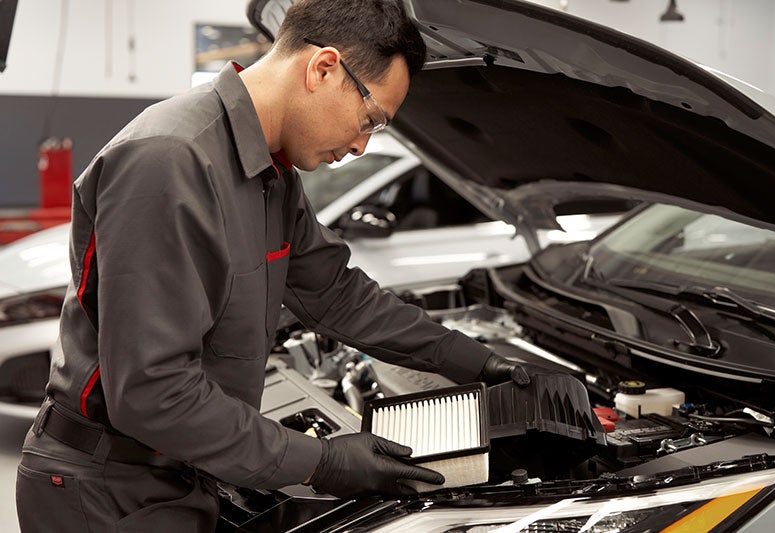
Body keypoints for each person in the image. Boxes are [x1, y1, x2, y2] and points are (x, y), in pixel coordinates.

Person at [16, 0, 529, 530]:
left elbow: (336, 292)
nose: (360, 144)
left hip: (178, 472)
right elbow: (152, 392)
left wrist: (477, 363)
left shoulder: (271, 176)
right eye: (371, 119)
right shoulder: (171, 160)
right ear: (323, 68)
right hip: (106, 492)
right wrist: (322, 462)